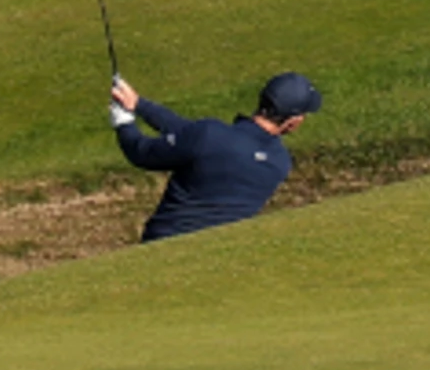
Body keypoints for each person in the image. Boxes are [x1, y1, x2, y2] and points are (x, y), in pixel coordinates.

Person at [109, 70, 319, 243]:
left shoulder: (209, 134)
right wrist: (138, 104)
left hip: (162, 242)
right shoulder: (280, 163)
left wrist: (123, 122)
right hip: (214, 252)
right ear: (292, 122)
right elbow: (190, 135)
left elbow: (141, 153)